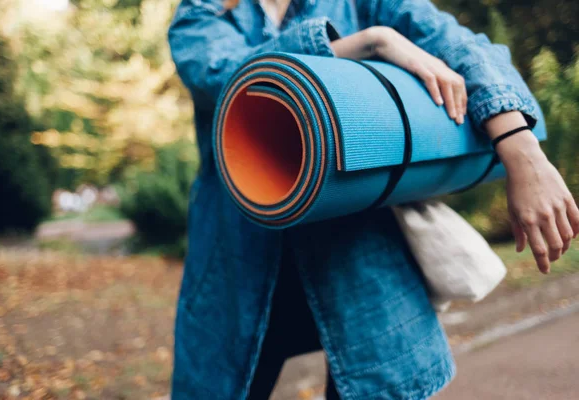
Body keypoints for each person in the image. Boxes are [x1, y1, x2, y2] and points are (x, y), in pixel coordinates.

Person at [167, 1, 579, 399]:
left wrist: (520, 148)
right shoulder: (203, 11)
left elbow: (460, 43)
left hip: (361, 265)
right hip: (241, 268)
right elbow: (228, 79)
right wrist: (373, 43)